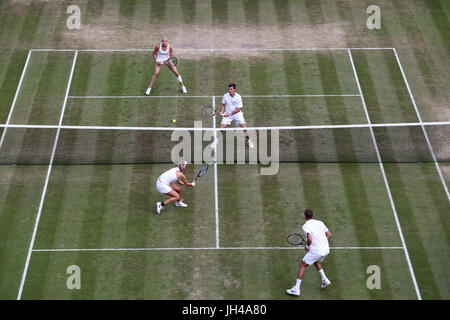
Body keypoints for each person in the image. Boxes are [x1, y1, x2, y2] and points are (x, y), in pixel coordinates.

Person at [286, 209, 332, 296]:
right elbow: (329, 234)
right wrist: (320, 242)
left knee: (302, 265)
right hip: (326, 249)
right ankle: (324, 279)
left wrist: (307, 247)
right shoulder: (320, 222)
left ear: (305, 216)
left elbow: (310, 239)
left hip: (317, 250)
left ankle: (296, 289)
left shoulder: (305, 226)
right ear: (312, 215)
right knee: (314, 260)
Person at [214, 83, 254, 148]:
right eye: (229, 89)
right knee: (221, 128)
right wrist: (221, 111)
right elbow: (223, 105)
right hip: (228, 114)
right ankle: (216, 141)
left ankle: (249, 141)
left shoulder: (238, 97)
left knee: (244, 128)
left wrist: (229, 114)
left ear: (234, 89)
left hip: (237, 115)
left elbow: (238, 109)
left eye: (231, 89)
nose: (229, 90)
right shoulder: (225, 96)